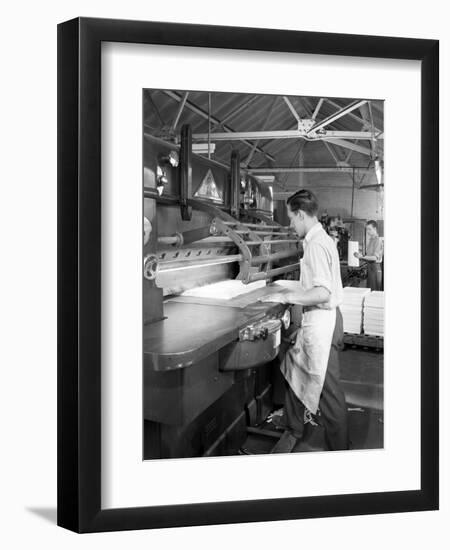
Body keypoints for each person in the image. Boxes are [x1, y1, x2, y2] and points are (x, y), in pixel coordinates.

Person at [261, 189, 349, 451]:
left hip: (324, 324)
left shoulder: (317, 245)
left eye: (291, 218)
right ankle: (293, 426)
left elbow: (323, 292)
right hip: (320, 321)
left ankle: (340, 451)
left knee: (328, 392)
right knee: (295, 372)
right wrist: (293, 296)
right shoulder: (318, 240)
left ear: (301, 215)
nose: (291, 224)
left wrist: (290, 296)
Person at [354, 220, 383, 290]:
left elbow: (374, 258)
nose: (368, 231)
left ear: (375, 229)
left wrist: (362, 256)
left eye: (369, 229)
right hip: (370, 267)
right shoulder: (371, 240)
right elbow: (369, 255)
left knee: (374, 291)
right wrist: (360, 256)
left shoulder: (377, 240)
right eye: (367, 229)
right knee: (370, 289)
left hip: (375, 268)